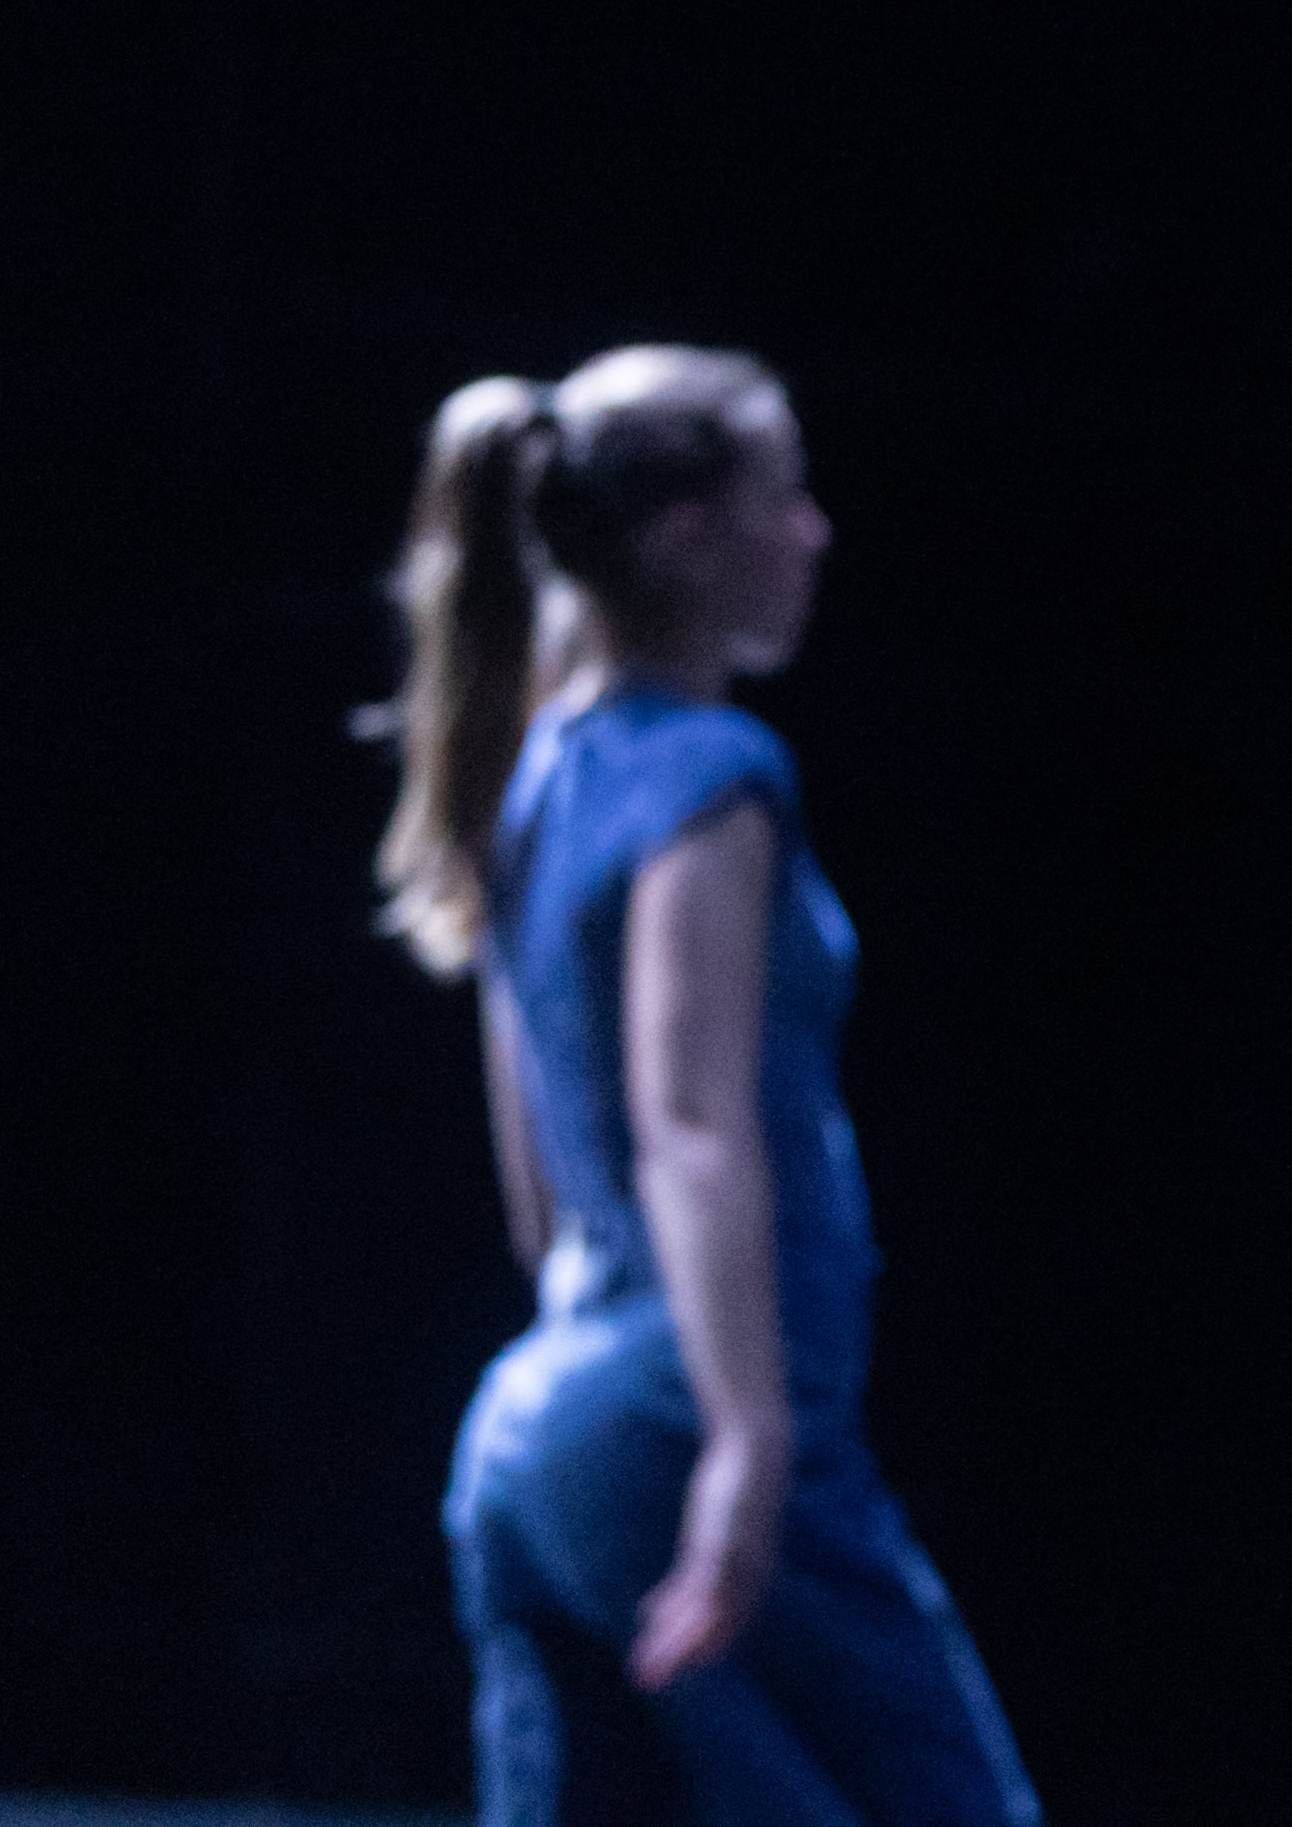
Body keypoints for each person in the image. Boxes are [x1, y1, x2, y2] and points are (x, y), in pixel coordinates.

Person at [375, 346, 1036, 1826]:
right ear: (685, 535)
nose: (814, 531)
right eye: (783, 493)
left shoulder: (532, 775)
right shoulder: (708, 775)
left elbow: (543, 1195)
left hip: (539, 1436)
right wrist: (744, 1439)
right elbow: (688, 1124)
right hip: (689, 1413)